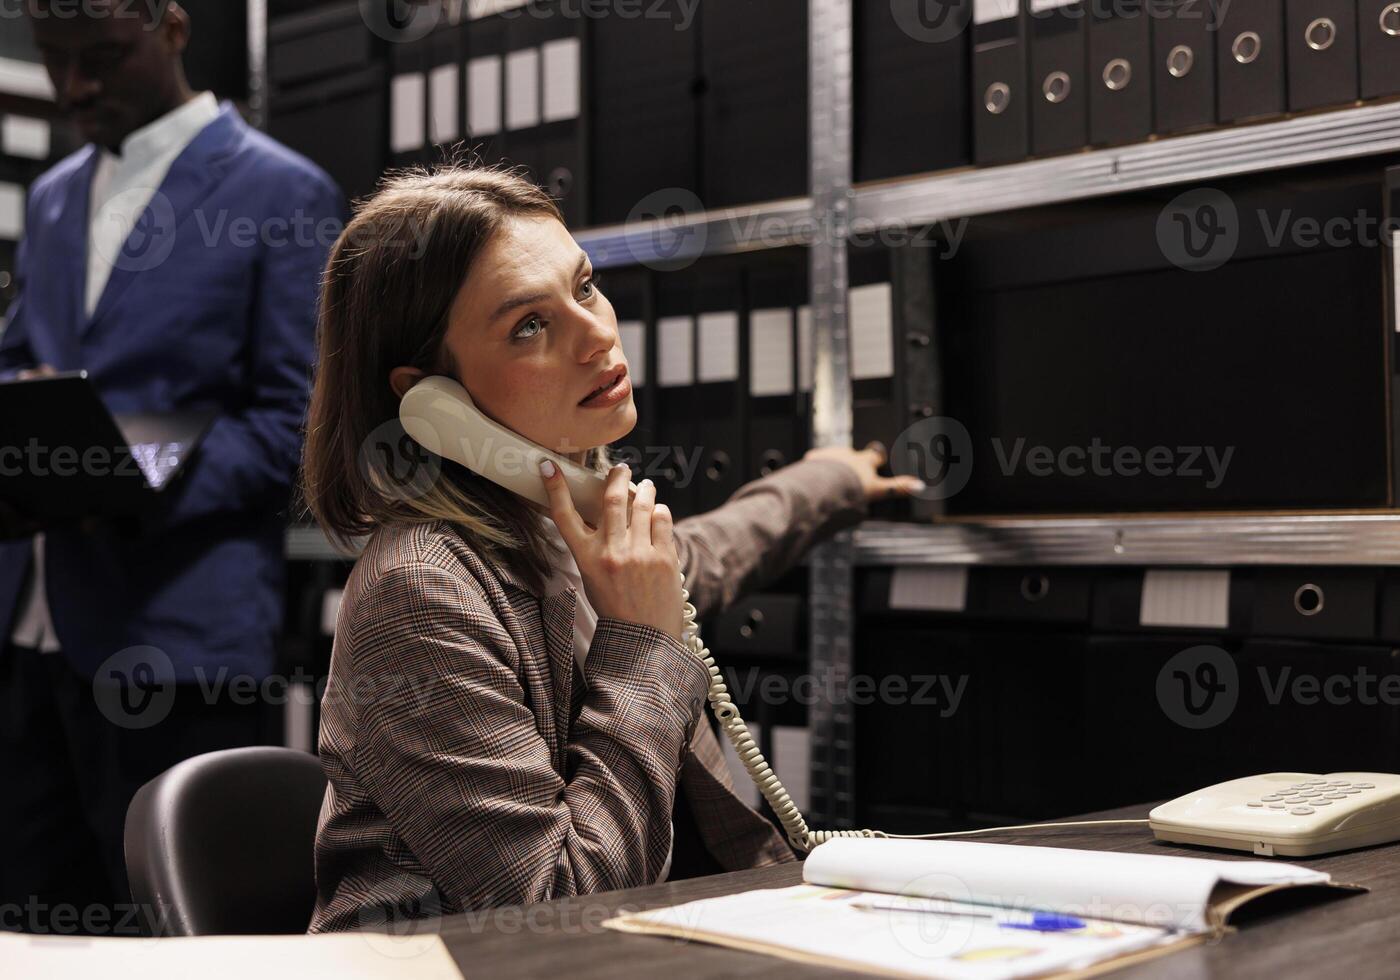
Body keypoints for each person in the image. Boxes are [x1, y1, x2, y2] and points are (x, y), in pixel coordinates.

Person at [301, 165, 921, 932]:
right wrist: (642, 643)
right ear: (431, 403)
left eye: (585, 286)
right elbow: (561, 910)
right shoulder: (421, 591)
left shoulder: (551, 524)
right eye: (530, 324)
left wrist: (831, 481)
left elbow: (703, 556)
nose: (597, 334)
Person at [0, 2, 342, 933]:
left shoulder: (282, 191)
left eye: (102, 59)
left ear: (174, 28)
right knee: (30, 933)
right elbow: (26, 358)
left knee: (170, 937)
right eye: (56, 62)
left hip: (174, 639)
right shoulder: (54, 193)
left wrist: (119, 468)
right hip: (28, 638)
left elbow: (293, 426)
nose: (75, 89)